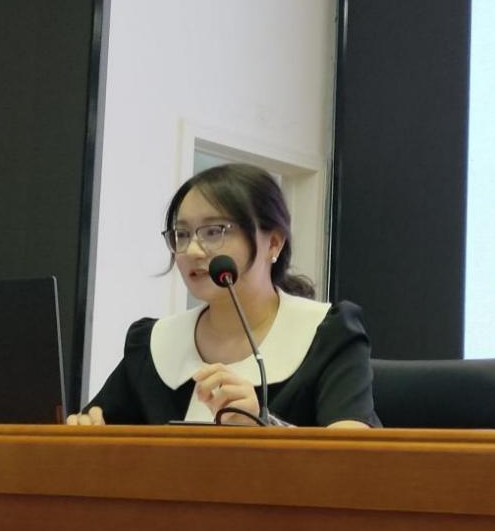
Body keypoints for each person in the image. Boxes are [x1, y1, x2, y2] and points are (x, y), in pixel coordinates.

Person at [68, 163, 380, 428]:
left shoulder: (328, 334)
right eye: (182, 234)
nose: (192, 250)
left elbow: (353, 459)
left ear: (273, 243)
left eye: (214, 231)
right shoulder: (152, 344)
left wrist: (264, 426)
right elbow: (100, 428)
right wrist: (86, 431)